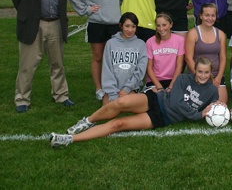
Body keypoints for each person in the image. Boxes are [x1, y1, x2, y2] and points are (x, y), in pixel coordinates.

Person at [49, 57, 221, 147]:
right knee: (120, 103)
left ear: (211, 72)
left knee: (118, 124)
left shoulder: (212, 91)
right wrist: (198, 114)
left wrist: (215, 109)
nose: (203, 75)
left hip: (163, 117)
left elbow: (213, 109)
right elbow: (176, 102)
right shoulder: (184, 78)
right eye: (200, 71)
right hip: (156, 99)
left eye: (206, 72)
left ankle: (69, 139)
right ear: (195, 70)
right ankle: (87, 121)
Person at [11, 0, 75, 112]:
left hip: (56, 23)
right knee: (27, 64)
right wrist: (27, 14)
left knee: (57, 63)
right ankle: (22, 99)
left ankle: (61, 95)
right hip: (33, 23)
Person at [69, 0, 124, 100]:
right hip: (97, 23)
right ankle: (99, 89)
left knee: (113, 58)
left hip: (114, 24)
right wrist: (86, 9)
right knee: (98, 57)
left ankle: (112, 87)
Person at [101, 12, 148, 105]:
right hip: (113, 88)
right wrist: (112, 92)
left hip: (131, 88)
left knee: (123, 105)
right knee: (108, 109)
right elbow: (107, 69)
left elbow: (140, 71)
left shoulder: (141, 44)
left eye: (133, 26)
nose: (130, 30)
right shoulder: (111, 43)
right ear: (121, 26)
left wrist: (127, 89)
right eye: (127, 26)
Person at [185, 3, 228, 103]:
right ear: (201, 16)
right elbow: (188, 58)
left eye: (212, 15)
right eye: (207, 15)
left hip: (215, 74)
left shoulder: (220, 34)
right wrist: (199, 75)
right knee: (197, 103)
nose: (210, 18)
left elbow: (223, 58)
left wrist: (219, 77)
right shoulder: (193, 33)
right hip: (198, 74)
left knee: (221, 104)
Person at [145, 13, 185, 92]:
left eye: (164, 25)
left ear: (171, 25)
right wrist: (159, 87)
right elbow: (149, 68)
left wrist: (171, 87)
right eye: (158, 25)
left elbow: (179, 66)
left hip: (173, 79)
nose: (161, 28)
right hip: (155, 81)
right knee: (156, 99)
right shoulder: (150, 42)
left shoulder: (180, 40)